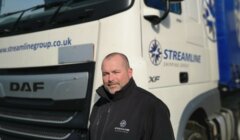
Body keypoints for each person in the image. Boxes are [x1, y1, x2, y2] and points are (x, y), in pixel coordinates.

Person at [89, 52, 175, 140]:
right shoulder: (99, 105)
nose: (110, 79)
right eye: (105, 74)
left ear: (129, 72)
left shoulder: (152, 107)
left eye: (116, 72)